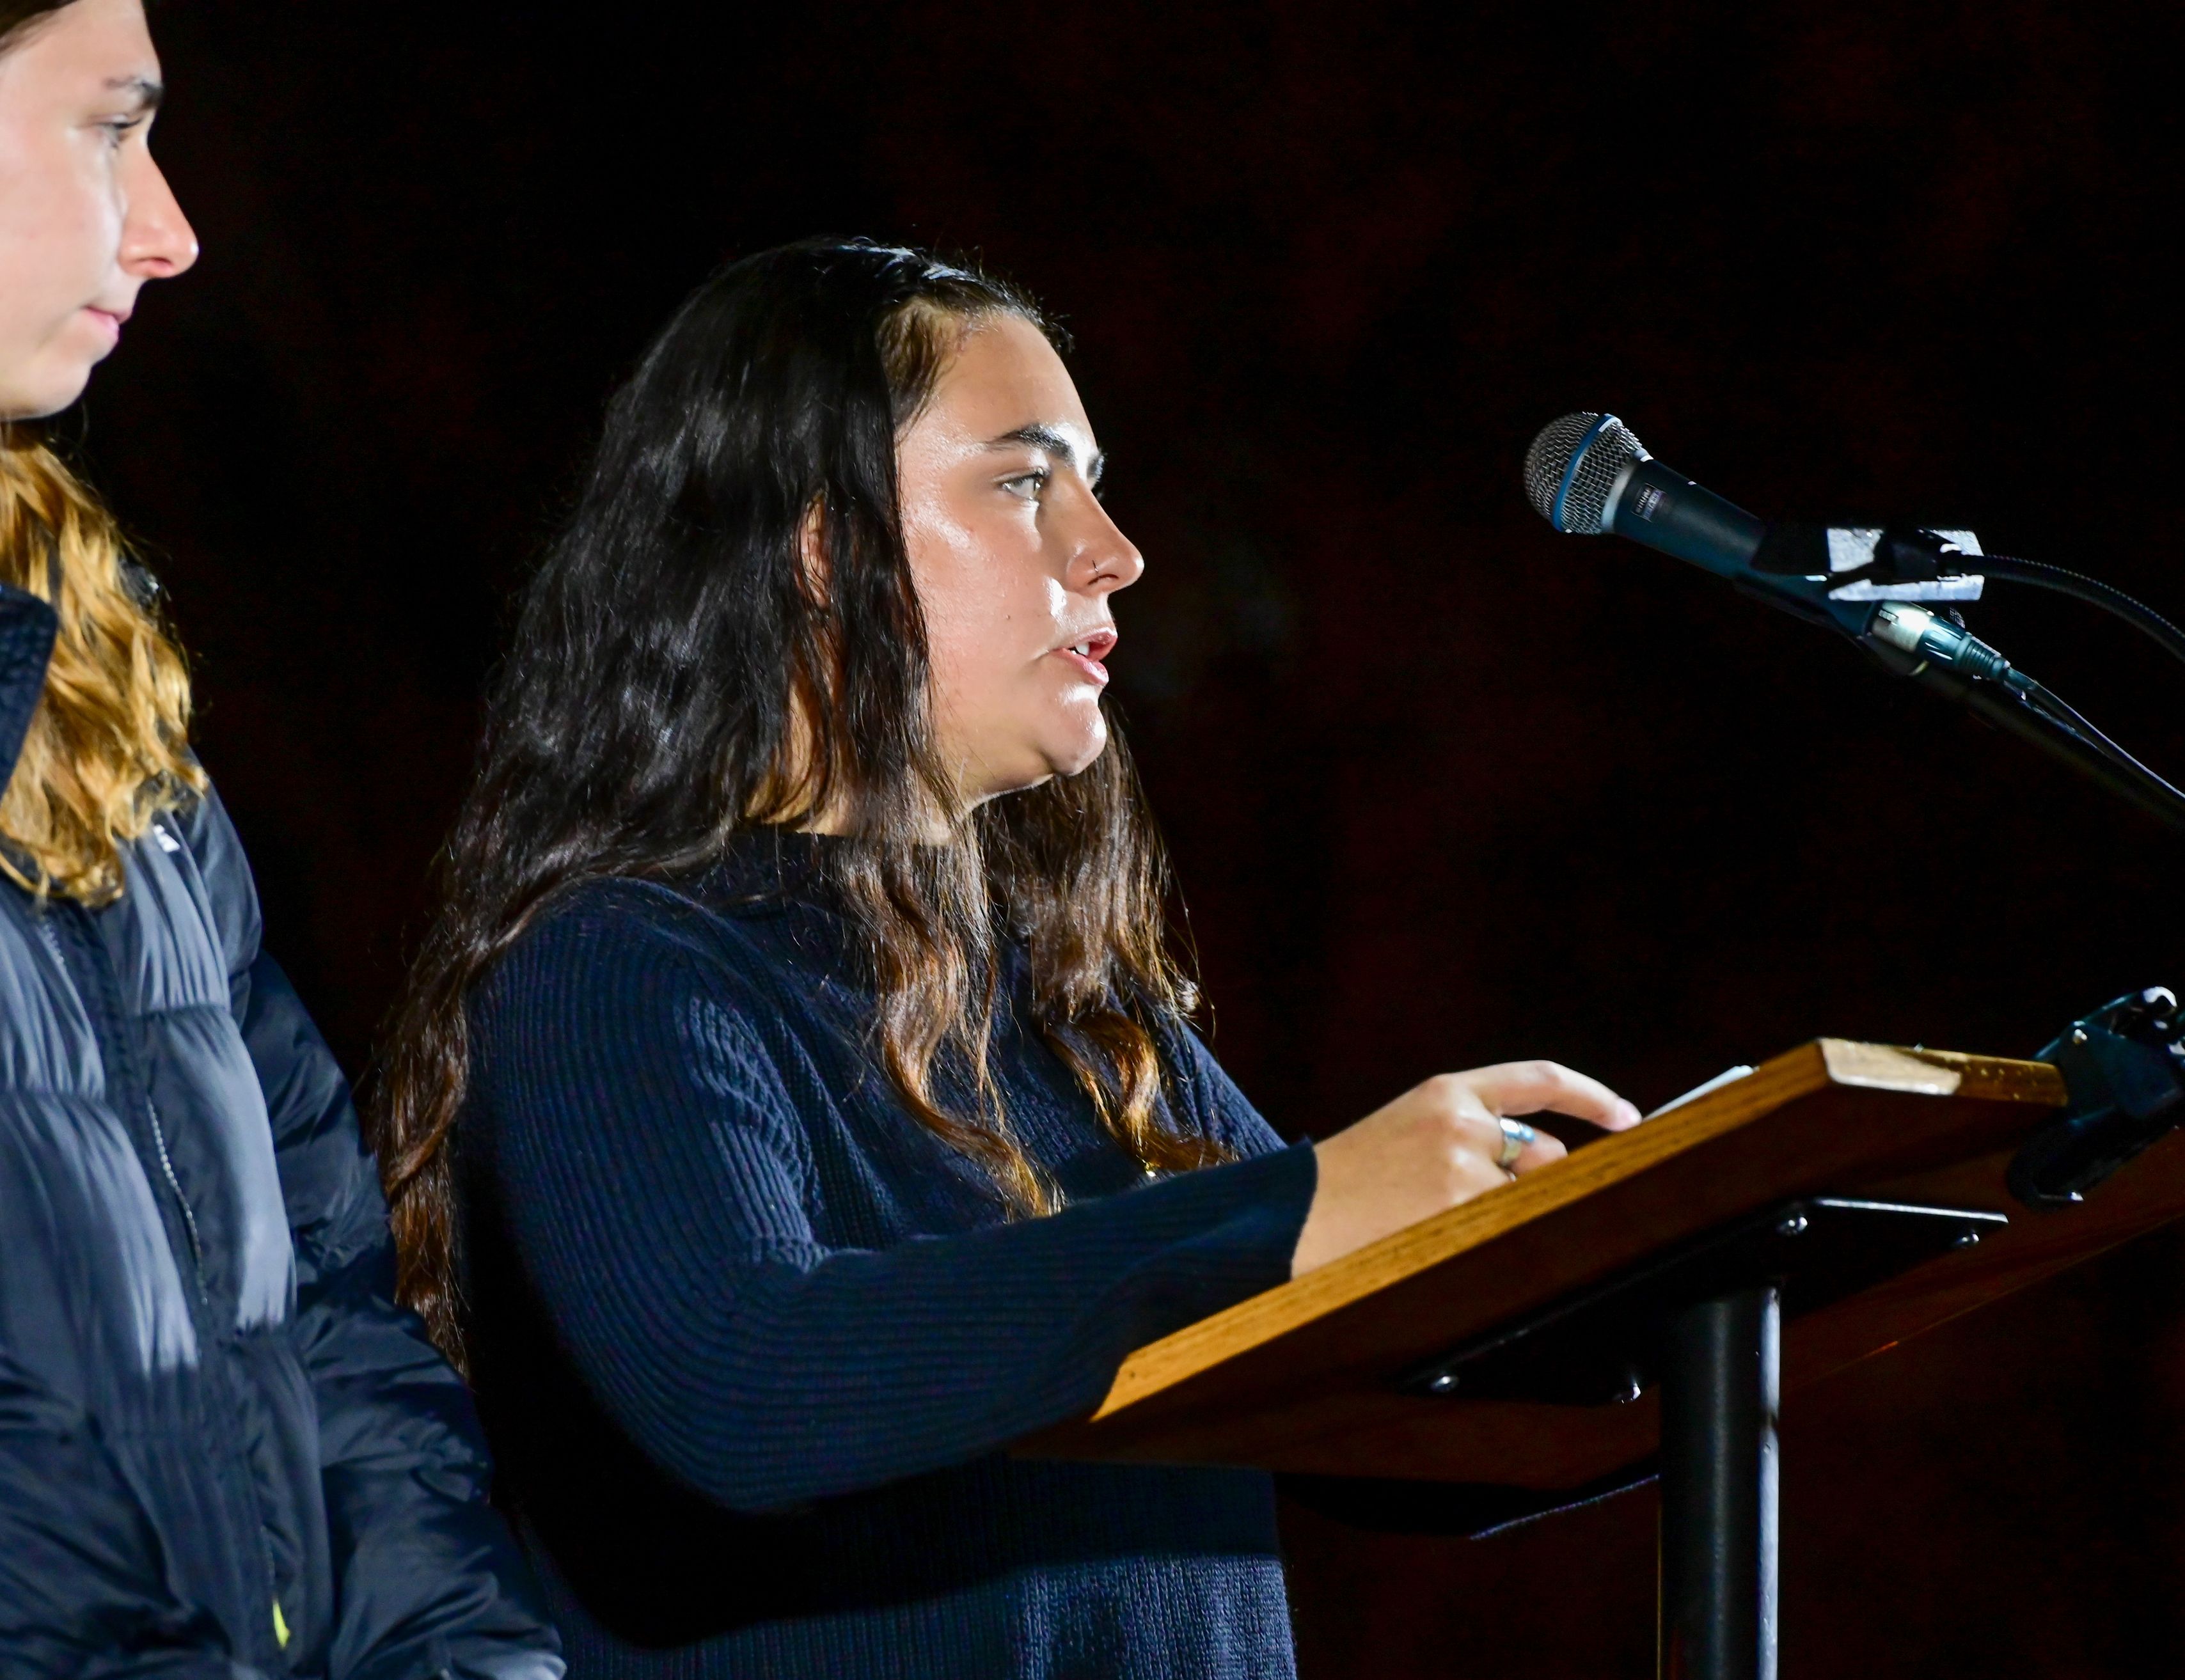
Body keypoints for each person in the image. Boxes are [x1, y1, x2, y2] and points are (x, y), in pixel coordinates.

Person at [372, 237, 1639, 1679]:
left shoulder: (1080, 1014)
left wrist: (1689, 1276)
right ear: (818, 549)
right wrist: (1296, 1209)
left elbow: (1409, 1447)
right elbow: (748, 1380)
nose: (1115, 551)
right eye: (1027, 484)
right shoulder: (617, 971)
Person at [0, 2, 561, 1673]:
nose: (170, 231)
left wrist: (465, 1655)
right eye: (112, 127)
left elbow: (318, 1297)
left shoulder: (95, 689)